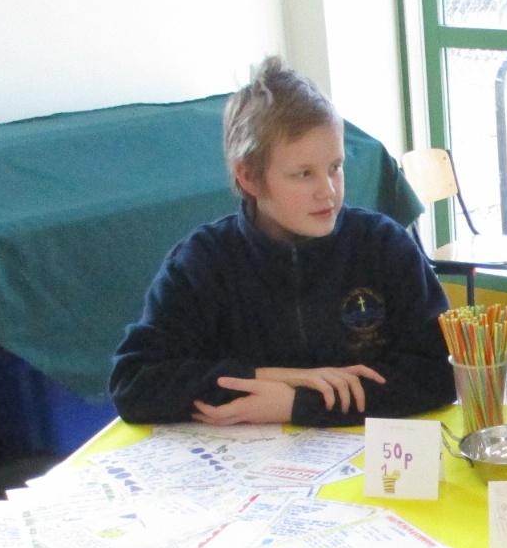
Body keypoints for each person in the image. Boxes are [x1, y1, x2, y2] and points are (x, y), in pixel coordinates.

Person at [110, 58, 455, 427]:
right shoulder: (201, 263)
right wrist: (270, 377)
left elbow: (438, 375)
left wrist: (298, 403)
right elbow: (134, 384)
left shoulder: (383, 245)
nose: (328, 191)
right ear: (249, 177)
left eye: (335, 167)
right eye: (303, 174)